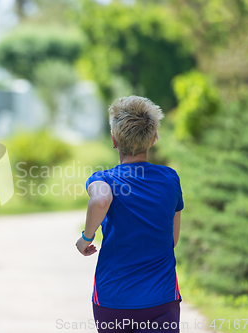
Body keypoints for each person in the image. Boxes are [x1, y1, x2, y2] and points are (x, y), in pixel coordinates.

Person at [76, 95, 184, 333]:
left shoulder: (103, 179)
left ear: (114, 140)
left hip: (113, 300)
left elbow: (101, 198)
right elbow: (172, 240)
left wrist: (86, 238)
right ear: (153, 139)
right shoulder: (170, 179)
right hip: (162, 298)